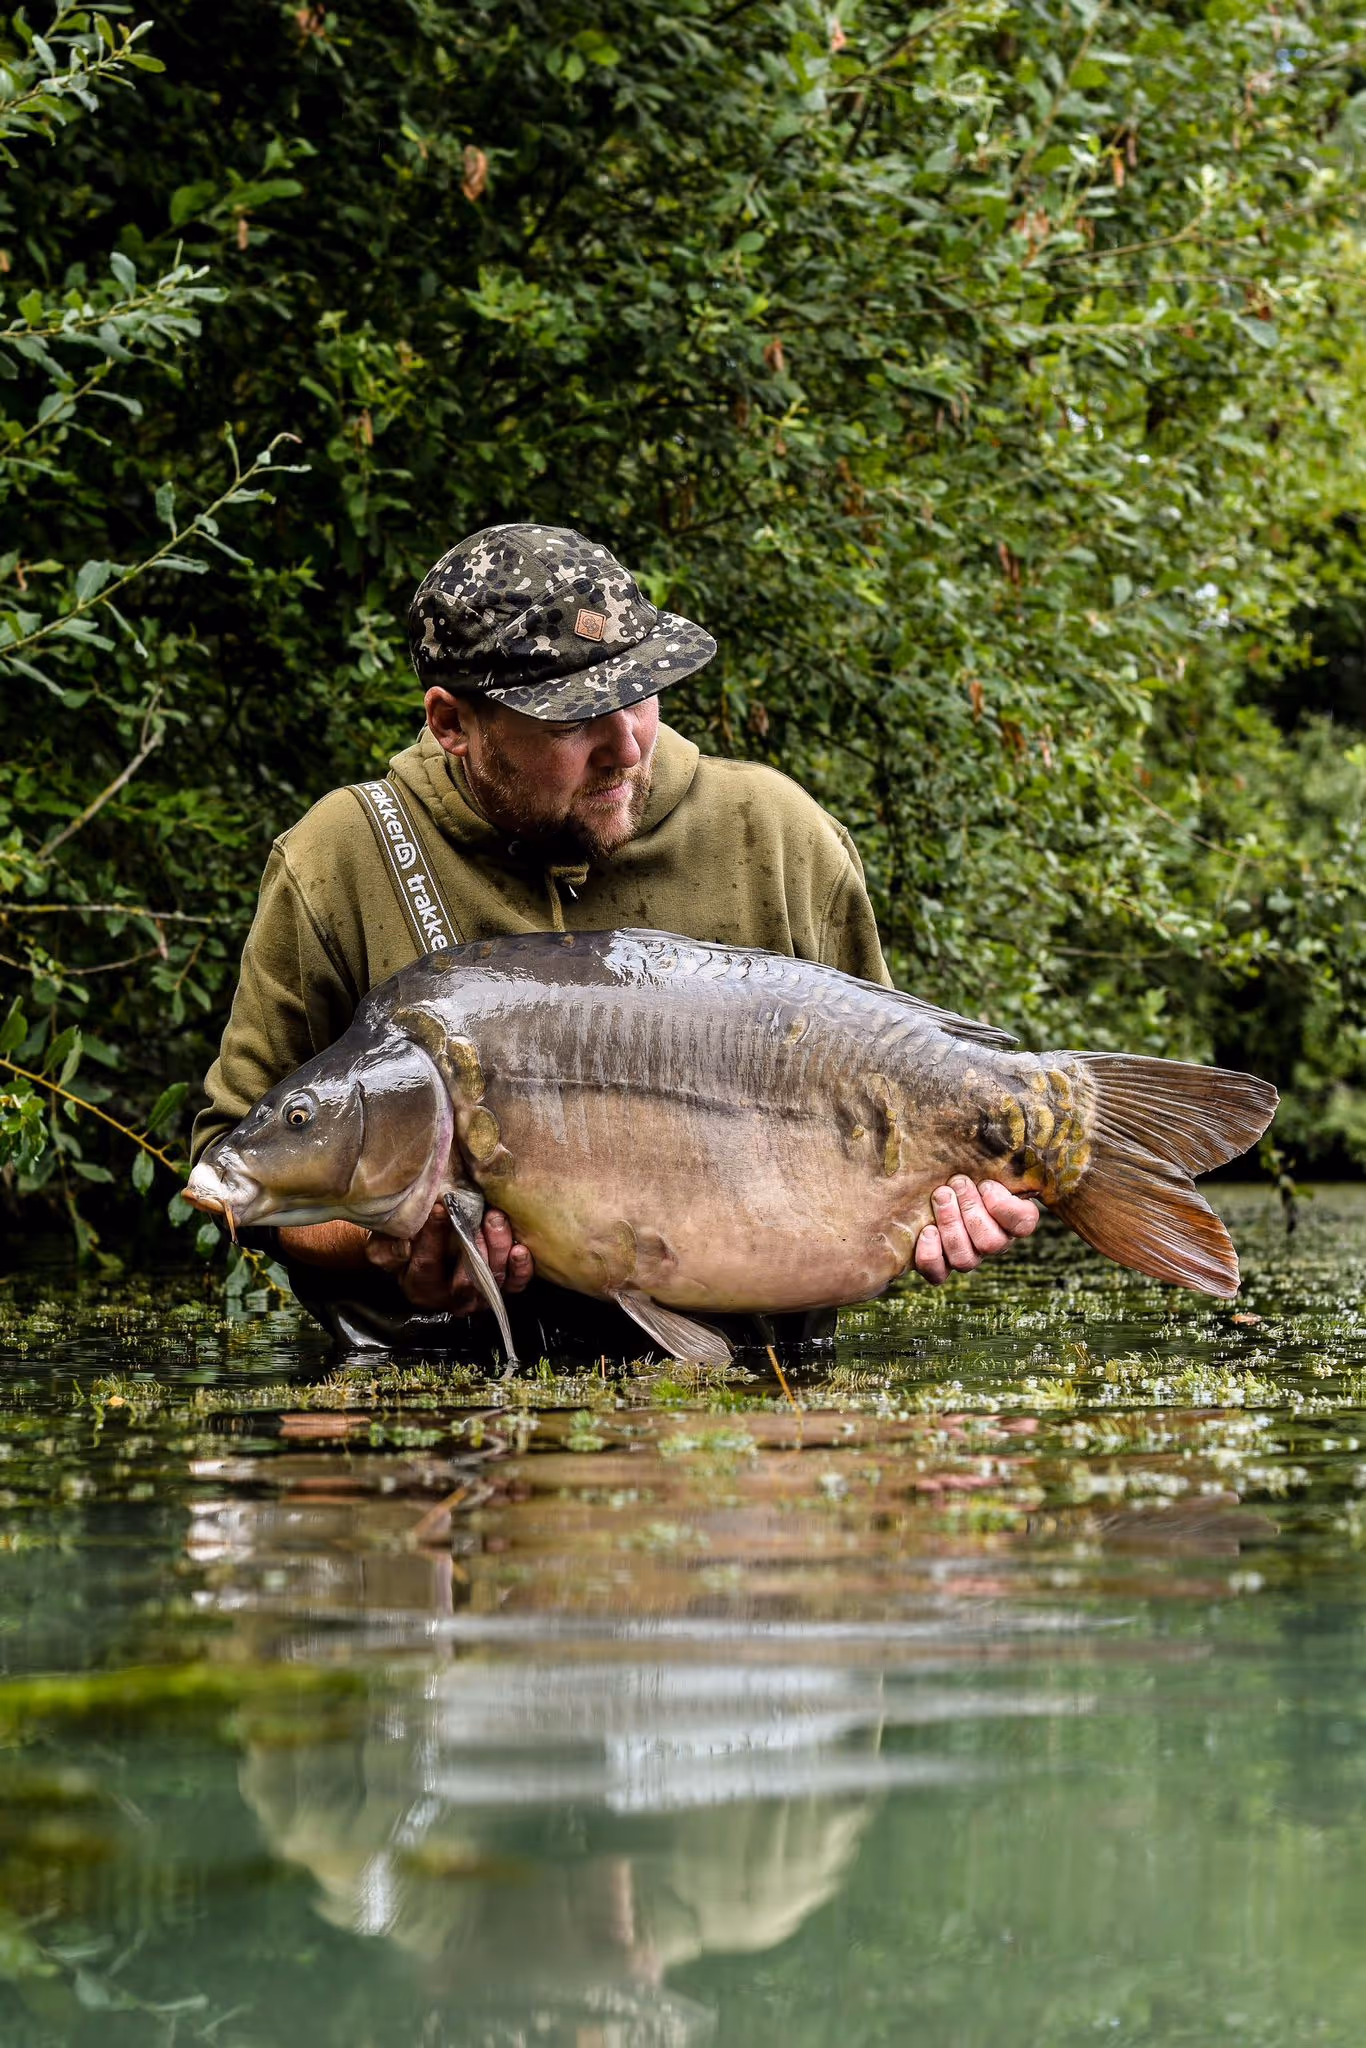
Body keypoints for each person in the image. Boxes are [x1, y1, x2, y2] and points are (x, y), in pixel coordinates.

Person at [192, 524, 1037, 1355]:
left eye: (639, 692)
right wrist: (386, 1246)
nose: (628, 746)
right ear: (453, 723)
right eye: (573, 720)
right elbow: (241, 1169)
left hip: (765, 1402)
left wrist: (952, 1197)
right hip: (442, 1404)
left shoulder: (779, 835)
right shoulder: (340, 858)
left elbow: (904, 1104)